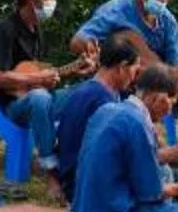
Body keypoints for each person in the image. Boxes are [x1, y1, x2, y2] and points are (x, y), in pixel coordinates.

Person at [64, 61, 178, 212]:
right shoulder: (137, 122)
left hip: (85, 211)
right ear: (159, 98)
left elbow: (149, 159)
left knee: (166, 171)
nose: (169, 110)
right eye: (172, 102)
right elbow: (150, 193)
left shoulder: (109, 109)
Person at [0, 0, 94, 174]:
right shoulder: (5, 29)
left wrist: (76, 68)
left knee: (91, 90)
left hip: (40, 98)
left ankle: (81, 155)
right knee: (40, 98)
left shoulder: (37, 30)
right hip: (14, 106)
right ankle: (52, 170)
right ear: (33, 0)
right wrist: (37, 78)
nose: (53, 0)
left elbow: (38, 72)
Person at [49, 31, 146, 200]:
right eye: (134, 70)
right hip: (85, 185)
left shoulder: (86, 91)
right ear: (122, 67)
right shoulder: (103, 101)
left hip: (74, 178)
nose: (134, 77)